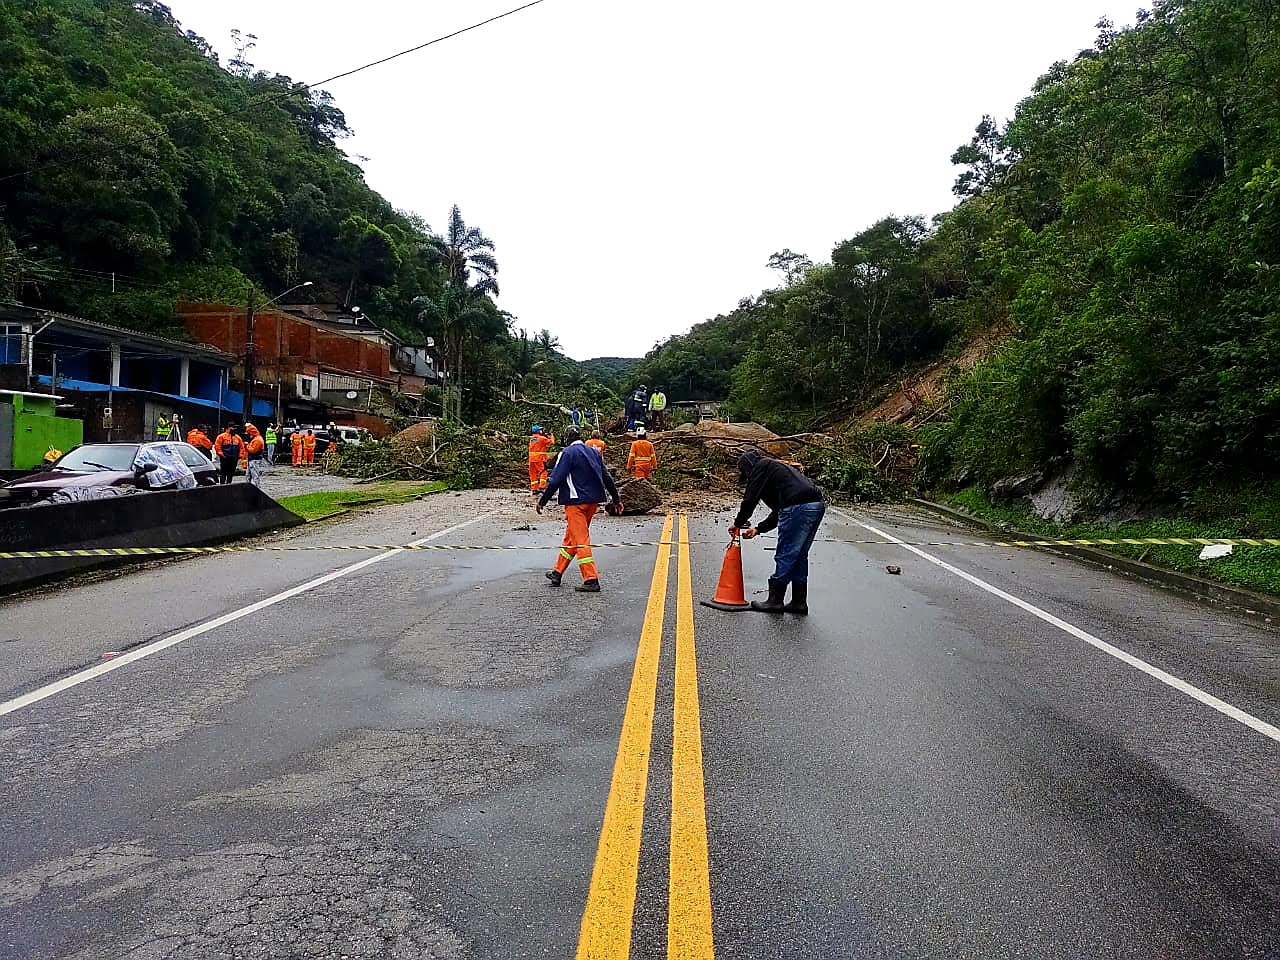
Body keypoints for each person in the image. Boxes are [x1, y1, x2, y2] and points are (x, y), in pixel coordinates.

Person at [731, 449, 826, 616]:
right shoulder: (778, 471)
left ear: (748, 468)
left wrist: (738, 523)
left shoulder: (761, 466)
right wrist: (759, 529)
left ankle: (775, 601)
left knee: (786, 553)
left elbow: (750, 499)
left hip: (799, 508)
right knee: (799, 555)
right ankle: (799, 602)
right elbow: (780, 510)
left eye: (746, 475)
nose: (748, 479)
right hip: (816, 505)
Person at [537, 425, 620, 593]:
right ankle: (557, 572)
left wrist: (543, 501)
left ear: (566, 439)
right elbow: (607, 477)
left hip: (575, 504)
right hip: (592, 503)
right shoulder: (594, 452)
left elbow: (555, 480)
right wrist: (616, 498)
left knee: (581, 540)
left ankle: (590, 579)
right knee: (572, 537)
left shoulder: (567, 453)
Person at [527, 424, 555, 494]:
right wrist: (552, 436)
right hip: (539, 459)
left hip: (531, 459)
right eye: (540, 430)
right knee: (543, 472)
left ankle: (534, 489)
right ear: (537, 431)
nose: (541, 431)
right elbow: (551, 442)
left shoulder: (532, 438)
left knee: (533, 473)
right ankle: (542, 487)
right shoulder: (542, 438)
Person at [243, 423, 266, 487]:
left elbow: (253, 450)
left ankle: (257, 488)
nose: (248, 435)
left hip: (254, 460)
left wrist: (246, 446)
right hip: (252, 460)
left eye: (249, 433)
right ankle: (248, 489)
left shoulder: (257, 440)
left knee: (255, 475)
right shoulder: (256, 439)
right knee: (248, 475)